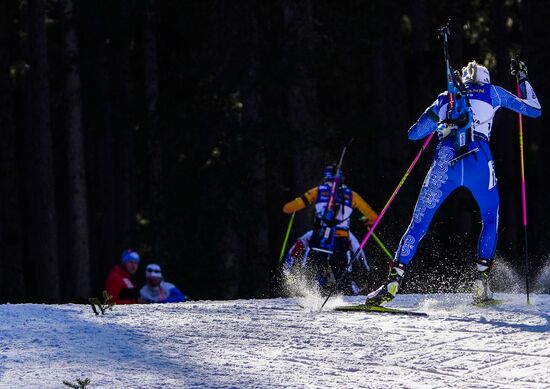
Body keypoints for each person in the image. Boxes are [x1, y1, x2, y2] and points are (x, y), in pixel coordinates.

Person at [366, 60, 541, 305]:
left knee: (418, 224)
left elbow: (413, 133)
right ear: (486, 79)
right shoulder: (493, 93)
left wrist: (439, 122)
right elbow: (534, 109)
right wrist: (522, 79)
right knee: (490, 218)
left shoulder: (445, 97)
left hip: (445, 160)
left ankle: (393, 281)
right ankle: (481, 283)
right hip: (479, 159)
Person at [283, 165, 378, 292]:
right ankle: (347, 292)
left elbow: (287, 209)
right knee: (341, 270)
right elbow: (374, 217)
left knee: (316, 267)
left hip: (320, 236)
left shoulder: (317, 191)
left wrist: (295, 203)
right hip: (341, 238)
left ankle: (314, 292)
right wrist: (364, 221)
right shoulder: (351, 195)